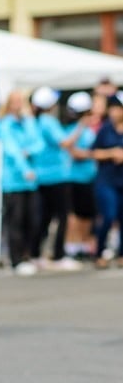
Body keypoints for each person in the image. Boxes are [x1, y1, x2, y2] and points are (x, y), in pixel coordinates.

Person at [0, 89, 44, 275]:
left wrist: (29, 152)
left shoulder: (28, 123)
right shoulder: (4, 124)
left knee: (33, 220)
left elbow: (39, 144)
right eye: (14, 101)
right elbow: (12, 150)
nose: (17, 104)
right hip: (13, 181)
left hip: (30, 182)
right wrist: (26, 169)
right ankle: (15, 260)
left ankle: (26, 255)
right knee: (15, 221)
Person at [28, 86, 79, 270]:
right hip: (56, 176)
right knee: (61, 215)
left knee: (45, 217)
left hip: (43, 176)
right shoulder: (48, 121)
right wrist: (82, 126)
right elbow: (65, 142)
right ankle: (58, 255)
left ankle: (35, 254)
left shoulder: (37, 121)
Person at [62, 91, 98, 260]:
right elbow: (72, 151)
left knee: (87, 213)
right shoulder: (70, 129)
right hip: (74, 177)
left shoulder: (91, 130)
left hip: (89, 177)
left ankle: (83, 244)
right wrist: (96, 154)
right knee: (74, 214)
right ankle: (72, 245)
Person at [91, 91, 123, 268]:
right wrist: (111, 153)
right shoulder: (105, 129)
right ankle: (100, 251)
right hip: (106, 179)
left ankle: (121, 254)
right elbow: (94, 152)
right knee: (109, 215)